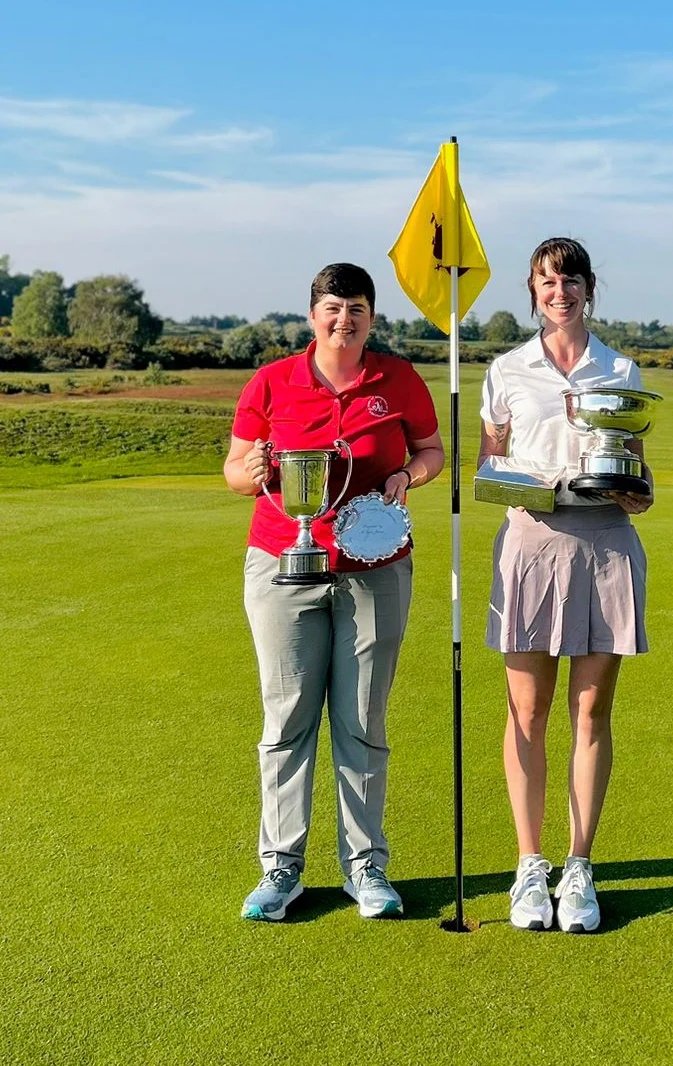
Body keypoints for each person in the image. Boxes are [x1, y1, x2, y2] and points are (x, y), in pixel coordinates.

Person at [224, 263, 444, 921]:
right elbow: (235, 469)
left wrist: (409, 475)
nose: (342, 319)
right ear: (312, 314)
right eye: (331, 307)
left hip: (374, 564)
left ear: (371, 318)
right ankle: (280, 871)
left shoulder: (397, 379)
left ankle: (365, 869)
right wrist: (252, 469)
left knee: (362, 721)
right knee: (287, 718)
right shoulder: (271, 381)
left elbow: (430, 449)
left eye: (355, 308)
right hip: (282, 561)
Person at [479, 237, 654, 933]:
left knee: (590, 714)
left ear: (588, 289)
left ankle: (578, 868)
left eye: (571, 279)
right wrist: (549, 486)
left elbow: (638, 468)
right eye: (547, 281)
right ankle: (530, 867)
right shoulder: (505, 370)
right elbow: (489, 473)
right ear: (531, 290)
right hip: (530, 543)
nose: (560, 292)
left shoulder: (619, 367)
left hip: (606, 544)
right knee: (527, 713)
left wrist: (635, 491)